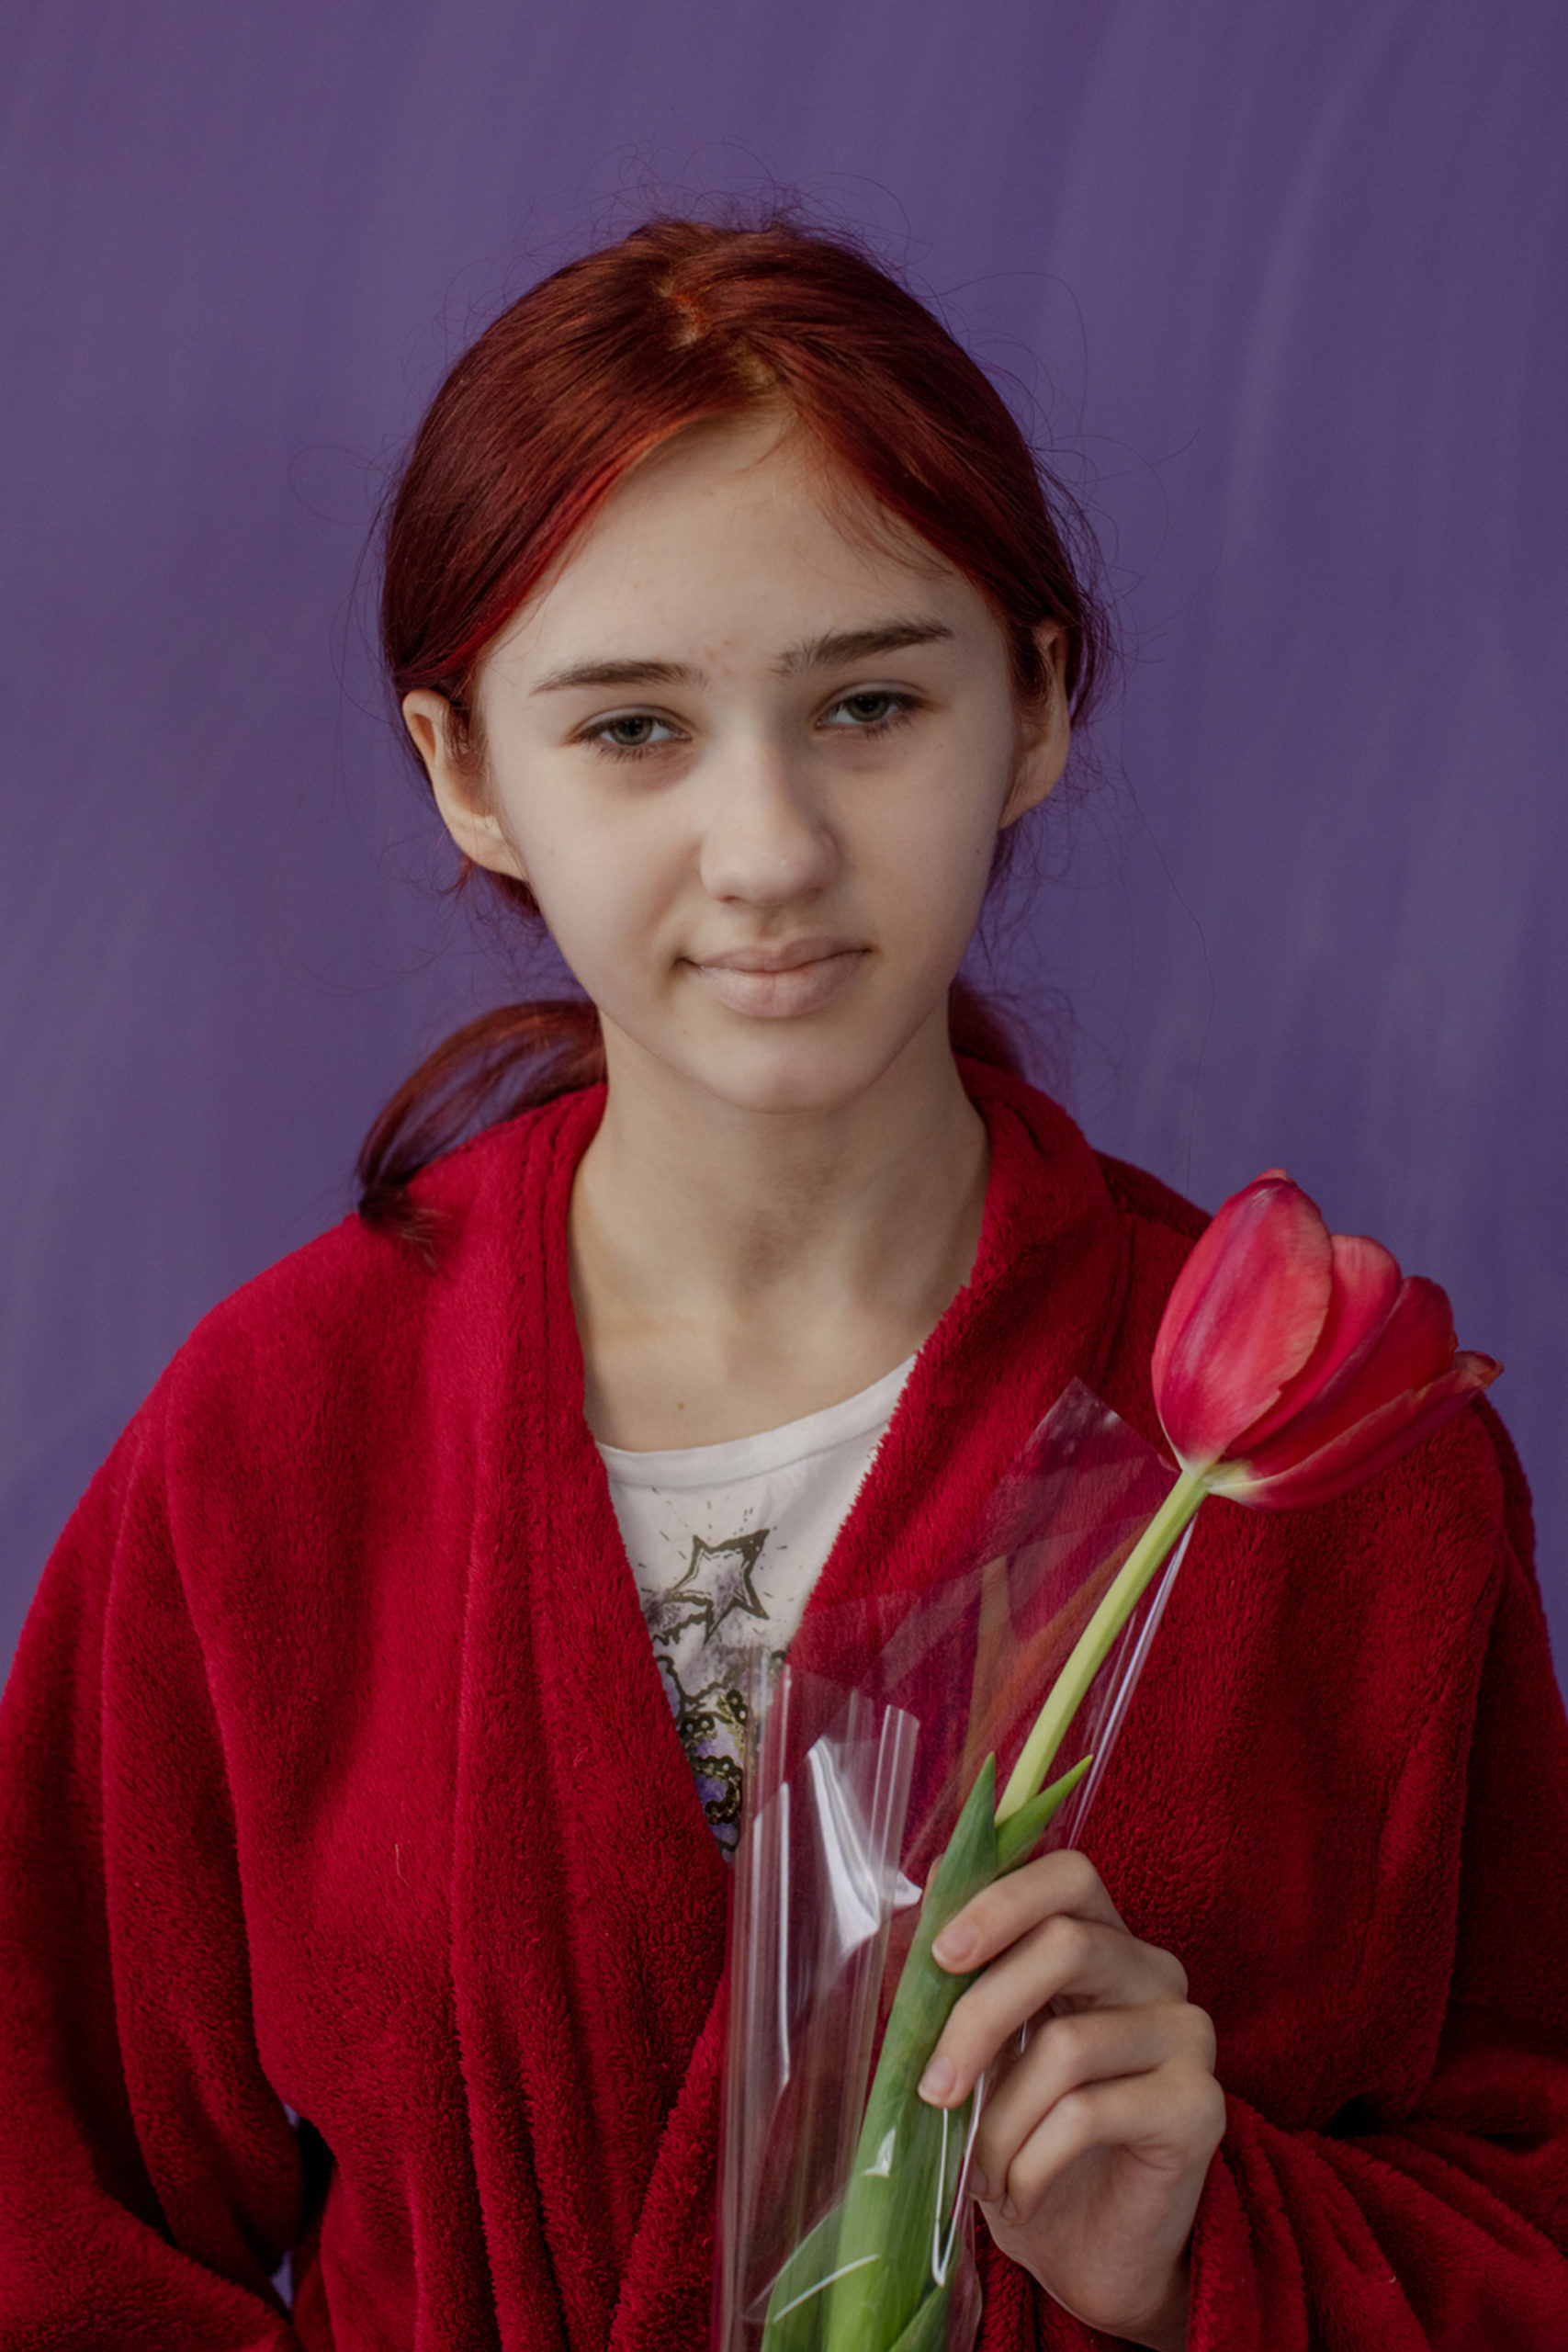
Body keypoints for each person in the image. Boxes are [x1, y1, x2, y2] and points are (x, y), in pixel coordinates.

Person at [0, 215, 1563, 2352]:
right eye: (631, 729)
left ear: (1032, 703)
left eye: (866, 701)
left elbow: (1528, 2221)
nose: (765, 846)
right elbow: (40, 2209)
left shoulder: (1334, 1464)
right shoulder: (270, 1441)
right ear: (468, 771)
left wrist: (1204, 2247)